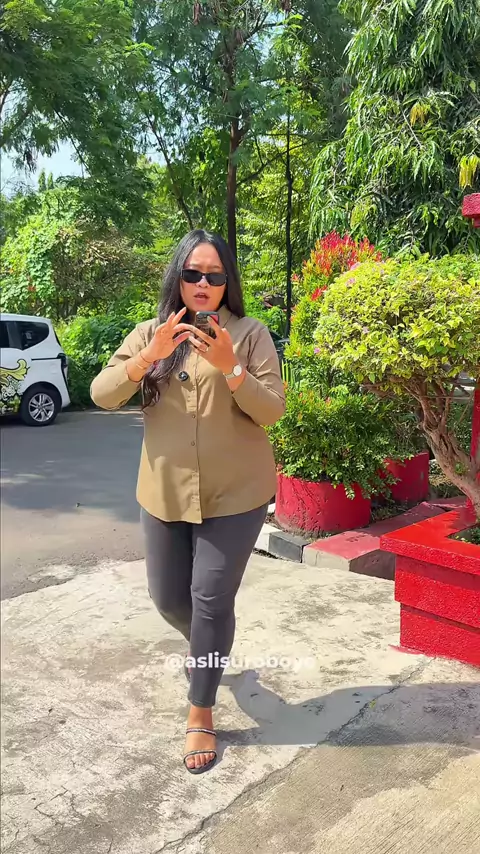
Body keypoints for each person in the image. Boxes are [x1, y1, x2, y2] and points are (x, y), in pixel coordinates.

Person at [90, 229, 285, 774]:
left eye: (215, 275)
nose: (203, 283)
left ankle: (201, 710)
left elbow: (272, 411)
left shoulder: (249, 335)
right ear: (178, 276)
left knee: (210, 599)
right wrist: (146, 358)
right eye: (193, 273)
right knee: (170, 600)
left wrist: (231, 367)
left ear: (227, 282)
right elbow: (102, 394)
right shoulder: (150, 333)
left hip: (236, 494)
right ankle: (209, 644)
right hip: (164, 492)